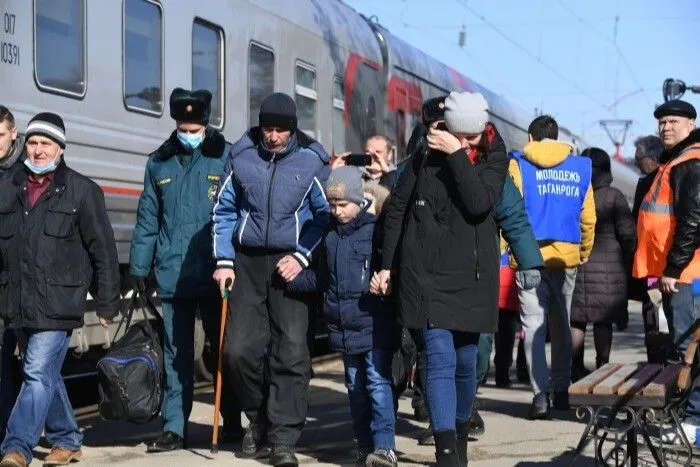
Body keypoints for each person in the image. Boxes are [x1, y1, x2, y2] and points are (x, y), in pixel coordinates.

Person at [373, 91, 509, 467]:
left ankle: (460, 434)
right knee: (439, 358)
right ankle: (447, 453)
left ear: (481, 131)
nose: (464, 142)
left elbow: (480, 202)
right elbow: (397, 206)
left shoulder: (496, 155)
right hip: (425, 275)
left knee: (467, 364)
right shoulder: (424, 152)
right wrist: (387, 265)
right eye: (456, 135)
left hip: (472, 276)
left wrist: (455, 154)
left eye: (471, 138)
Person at [212, 92, 330, 466]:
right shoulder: (242, 156)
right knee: (237, 351)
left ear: (292, 129)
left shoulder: (312, 162)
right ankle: (259, 416)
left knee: (292, 350)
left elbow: (324, 216)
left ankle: (283, 439)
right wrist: (224, 260)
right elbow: (224, 210)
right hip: (246, 262)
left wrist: (301, 256)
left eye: (281, 130)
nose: (273, 136)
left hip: (291, 263)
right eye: (268, 128)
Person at [0, 112, 120, 467]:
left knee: (36, 370)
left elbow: (103, 250)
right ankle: (67, 438)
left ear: (61, 148)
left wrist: (107, 300)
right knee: (43, 372)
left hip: (58, 301)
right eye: (33, 143)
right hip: (17, 297)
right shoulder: (10, 186)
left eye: (45, 144)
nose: (37, 151)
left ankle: (17, 446)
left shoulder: (82, 191)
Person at [129, 88, 241, 452]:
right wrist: (139, 268)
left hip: (216, 273)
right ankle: (175, 427)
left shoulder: (225, 157)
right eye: (183, 126)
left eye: (195, 127)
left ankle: (232, 420)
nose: (188, 133)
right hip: (173, 274)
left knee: (224, 350)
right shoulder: (158, 162)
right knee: (177, 354)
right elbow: (147, 219)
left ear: (206, 125)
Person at [289, 166, 400, 467]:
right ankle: (364, 446)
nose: (336, 211)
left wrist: (387, 285)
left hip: (375, 324)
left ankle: (385, 446)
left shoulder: (376, 231)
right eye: (332, 205)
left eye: (343, 204)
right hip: (344, 326)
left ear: (359, 200)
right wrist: (289, 279)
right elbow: (322, 279)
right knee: (354, 387)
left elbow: (393, 270)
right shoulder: (330, 237)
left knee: (377, 383)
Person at [508, 115, 596, 419]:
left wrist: (506, 250)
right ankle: (561, 390)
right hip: (565, 260)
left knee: (533, 327)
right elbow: (588, 217)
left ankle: (540, 396)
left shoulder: (518, 165)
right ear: (557, 138)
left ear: (531, 138)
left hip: (529, 258)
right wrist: (584, 250)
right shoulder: (580, 167)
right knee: (561, 325)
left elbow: (511, 210)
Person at [633, 99, 700, 445]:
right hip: (681, 273)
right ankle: (688, 417)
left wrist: (673, 268)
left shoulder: (691, 162)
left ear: (691, 124)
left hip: (687, 274)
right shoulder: (675, 161)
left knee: (689, 348)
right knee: (684, 346)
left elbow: (692, 219)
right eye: (661, 122)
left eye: (673, 121)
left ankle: (692, 421)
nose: (665, 127)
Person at [570, 148, 636, 381]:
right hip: (609, 269)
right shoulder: (614, 196)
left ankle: (574, 367)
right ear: (606, 170)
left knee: (577, 318)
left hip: (579, 262)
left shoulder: (574, 193)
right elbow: (628, 234)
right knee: (602, 321)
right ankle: (602, 367)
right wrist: (630, 257)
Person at [630, 135, 671, 364]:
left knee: (656, 326)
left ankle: (657, 369)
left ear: (653, 158)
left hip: (656, 268)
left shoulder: (650, 183)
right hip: (659, 267)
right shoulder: (666, 176)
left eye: (639, 158)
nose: (636, 163)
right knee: (663, 325)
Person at [0, 106, 23, 444]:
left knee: (36, 365)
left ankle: (63, 433)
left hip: (25, 282)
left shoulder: (26, 173)